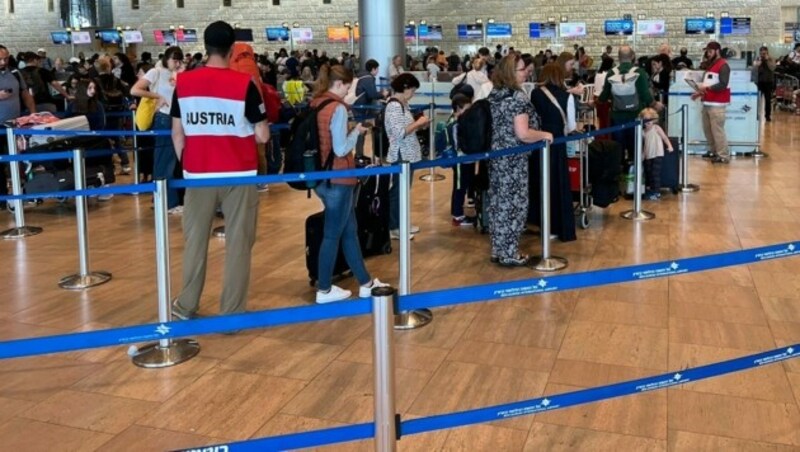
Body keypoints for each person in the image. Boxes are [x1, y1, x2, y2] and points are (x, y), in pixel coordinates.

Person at [170, 21, 270, 321]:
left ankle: (186, 305)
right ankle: (231, 313)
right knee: (239, 244)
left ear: (205, 46)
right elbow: (263, 135)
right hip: (238, 174)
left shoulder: (184, 83)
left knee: (195, 242)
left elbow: (178, 133)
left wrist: (189, 162)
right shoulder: (244, 86)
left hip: (198, 174)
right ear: (232, 49)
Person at [308, 64, 388, 303]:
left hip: (322, 177)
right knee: (333, 234)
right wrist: (357, 131)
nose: (348, 91)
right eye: (348, 86)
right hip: (340, 178)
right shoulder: (338, 108)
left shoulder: (317, 104)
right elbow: (341, 148)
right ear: (340, 84)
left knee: (349, 231)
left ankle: (365, 282)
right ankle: (324, 289)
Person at [486, 54, 553, 267]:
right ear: (510, 73)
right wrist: (544, 134)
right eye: (522, 69)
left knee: (498, 203)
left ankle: (499, 249)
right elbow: (523, 133)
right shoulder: (517, 97)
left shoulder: (495, 94)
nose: (527, 72)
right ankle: (510, 253)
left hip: (496, 157)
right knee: (514, 205)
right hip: (514, 160)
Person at [131, 45, 185, 214]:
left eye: (179, 60)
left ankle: (165, 200)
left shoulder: (176, 74)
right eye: (174, 60)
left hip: (177, 118)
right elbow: (135, 89)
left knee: (172, 161)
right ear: (166, 59)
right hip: (163, 118)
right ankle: (168, 203)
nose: (177, 63)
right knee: (165, 161)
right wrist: (157, 97)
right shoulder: (156, 72)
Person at [530, 63, 577, 242]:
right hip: (557, 145)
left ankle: (541, 222)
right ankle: (558, 226)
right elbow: (571, 126)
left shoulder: (535, 93)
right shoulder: (567, 96)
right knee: (557, 185)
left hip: (538, 142)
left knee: (540, 183)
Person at [597, 45, 662, 162]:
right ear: (632, 56)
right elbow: (645, 95)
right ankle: (634, 173)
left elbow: (604, 95)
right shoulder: (639, 72)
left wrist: (595, 102)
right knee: (635, 147)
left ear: (618, 57)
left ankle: (619, 172)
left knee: (617, 148)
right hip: (636, 115)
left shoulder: (612, 73)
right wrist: (655, 104)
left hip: (617, 116)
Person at [385, 73, 431, 240]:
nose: (413, 93)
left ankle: (401, 222)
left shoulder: (403, 104)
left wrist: (419, 125)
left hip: (408, 153)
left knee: (403, 190)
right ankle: (394, 226)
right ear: (405, 88)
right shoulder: (394, 106)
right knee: (398, 191)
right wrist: (418, 123)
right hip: (401, 154)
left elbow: (406, 129)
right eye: (412, 90)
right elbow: (399, 133)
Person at [0, 44, 36, 210]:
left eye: (6, 57)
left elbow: (25, 93)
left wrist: (33, 113)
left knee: (15, 160)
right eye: (0, 58)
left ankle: (18, 194)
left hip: (13, 125)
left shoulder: (14, 72)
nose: (3, 61)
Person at [691, 41, 731, 164]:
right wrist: (700, 92)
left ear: (717, 51)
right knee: (708, 131)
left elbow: (723, 84)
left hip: (717, 104)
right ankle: (714, 151)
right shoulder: (711, 65)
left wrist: (706, 89)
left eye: (710, 51)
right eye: (707, 51)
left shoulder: (723, 65)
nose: (707, 54)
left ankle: (723, 155)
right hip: (707, 102)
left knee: (717, 131)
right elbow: (709, 83)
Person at [448, 93, 476, 226]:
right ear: (458, 109)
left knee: (465, 185)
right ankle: (457, 215)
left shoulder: (463, 122)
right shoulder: (454, 124)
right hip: (460, 160)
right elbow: (457, 145)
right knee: (459, 187)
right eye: (466, 109)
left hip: (468, 159)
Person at [352, 59, 386, 156]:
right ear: (373, 69)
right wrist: (382, 94)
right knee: (360, 130)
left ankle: (359, 153)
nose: (378, 71)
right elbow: (372, 94)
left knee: (360, 129)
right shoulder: (368, 78)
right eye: (377, 69)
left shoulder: (360, 75)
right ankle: (359, 155)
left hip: (356, 105)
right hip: (360, 108)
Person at [639, 108, 673, 200]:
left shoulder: (657, 128)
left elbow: (664, 137)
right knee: (649, 173)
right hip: (648, 155)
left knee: (655, 173)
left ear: (654, 119)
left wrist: (669, 146)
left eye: (650, 119)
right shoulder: (642, 132)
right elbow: (644, 145)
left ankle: (657, 192)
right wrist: (642, 155)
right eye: (646, 119)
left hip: (657, 153)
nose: (648, 121)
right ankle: (652, 190)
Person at [752, 46, 776, 122]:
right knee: (757, 100)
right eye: (761, 53)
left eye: (764, 53)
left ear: (767, 52)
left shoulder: (771, 59)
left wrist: (767, 60)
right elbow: (753, 70)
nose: (763, 54)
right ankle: (756, 114)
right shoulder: (757, 59)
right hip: (759, 82)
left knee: (768, 100)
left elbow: (773, 68)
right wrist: (757, 65)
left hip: (768, 82)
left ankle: (767, 116)